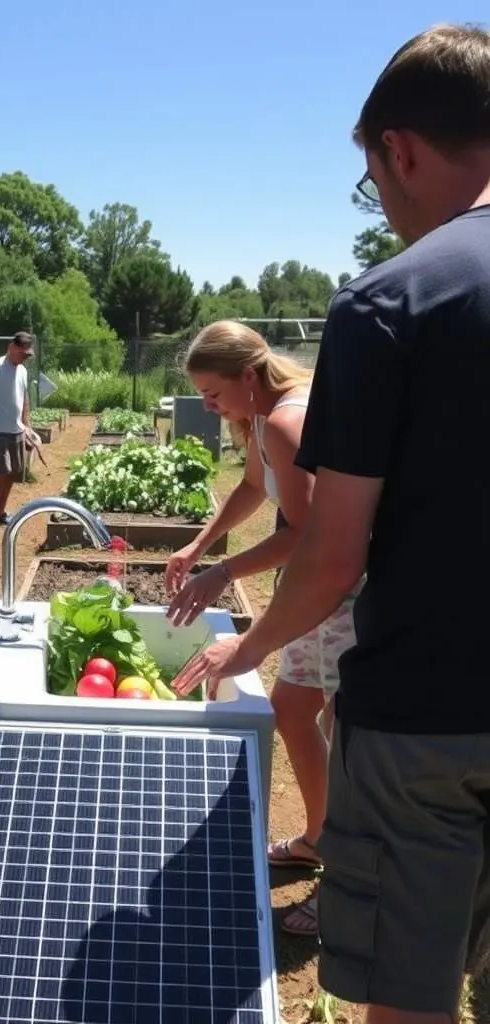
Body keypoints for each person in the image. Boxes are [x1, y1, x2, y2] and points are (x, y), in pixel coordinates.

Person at [172, 24, 490, 1022]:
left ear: (397, 149)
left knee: (408, 992)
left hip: (427, 721)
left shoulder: (394, 300)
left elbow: (329, 551)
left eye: (374, 180)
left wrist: (243, 650)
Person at [163, 321, 361, 937]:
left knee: (329, 721)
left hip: (341, 587)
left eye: (213, 393)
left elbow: (303, 532)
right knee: (303, 713)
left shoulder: (285, 420)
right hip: (318, 583)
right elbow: (255, 486)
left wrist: (222, 570)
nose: (206, 406)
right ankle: (320, 839)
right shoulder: (259, 417)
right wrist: (199, 544)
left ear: (247, 376)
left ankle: (345, 874)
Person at [0, 331, 34, 529]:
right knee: (0, 472)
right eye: (23, 354)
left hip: (16, 430)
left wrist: (27, 425)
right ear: (12, 347)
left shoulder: (22, 371)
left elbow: (24, 399)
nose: (24, 358)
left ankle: (1, 511)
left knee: (12, 473)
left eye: (27, 355)